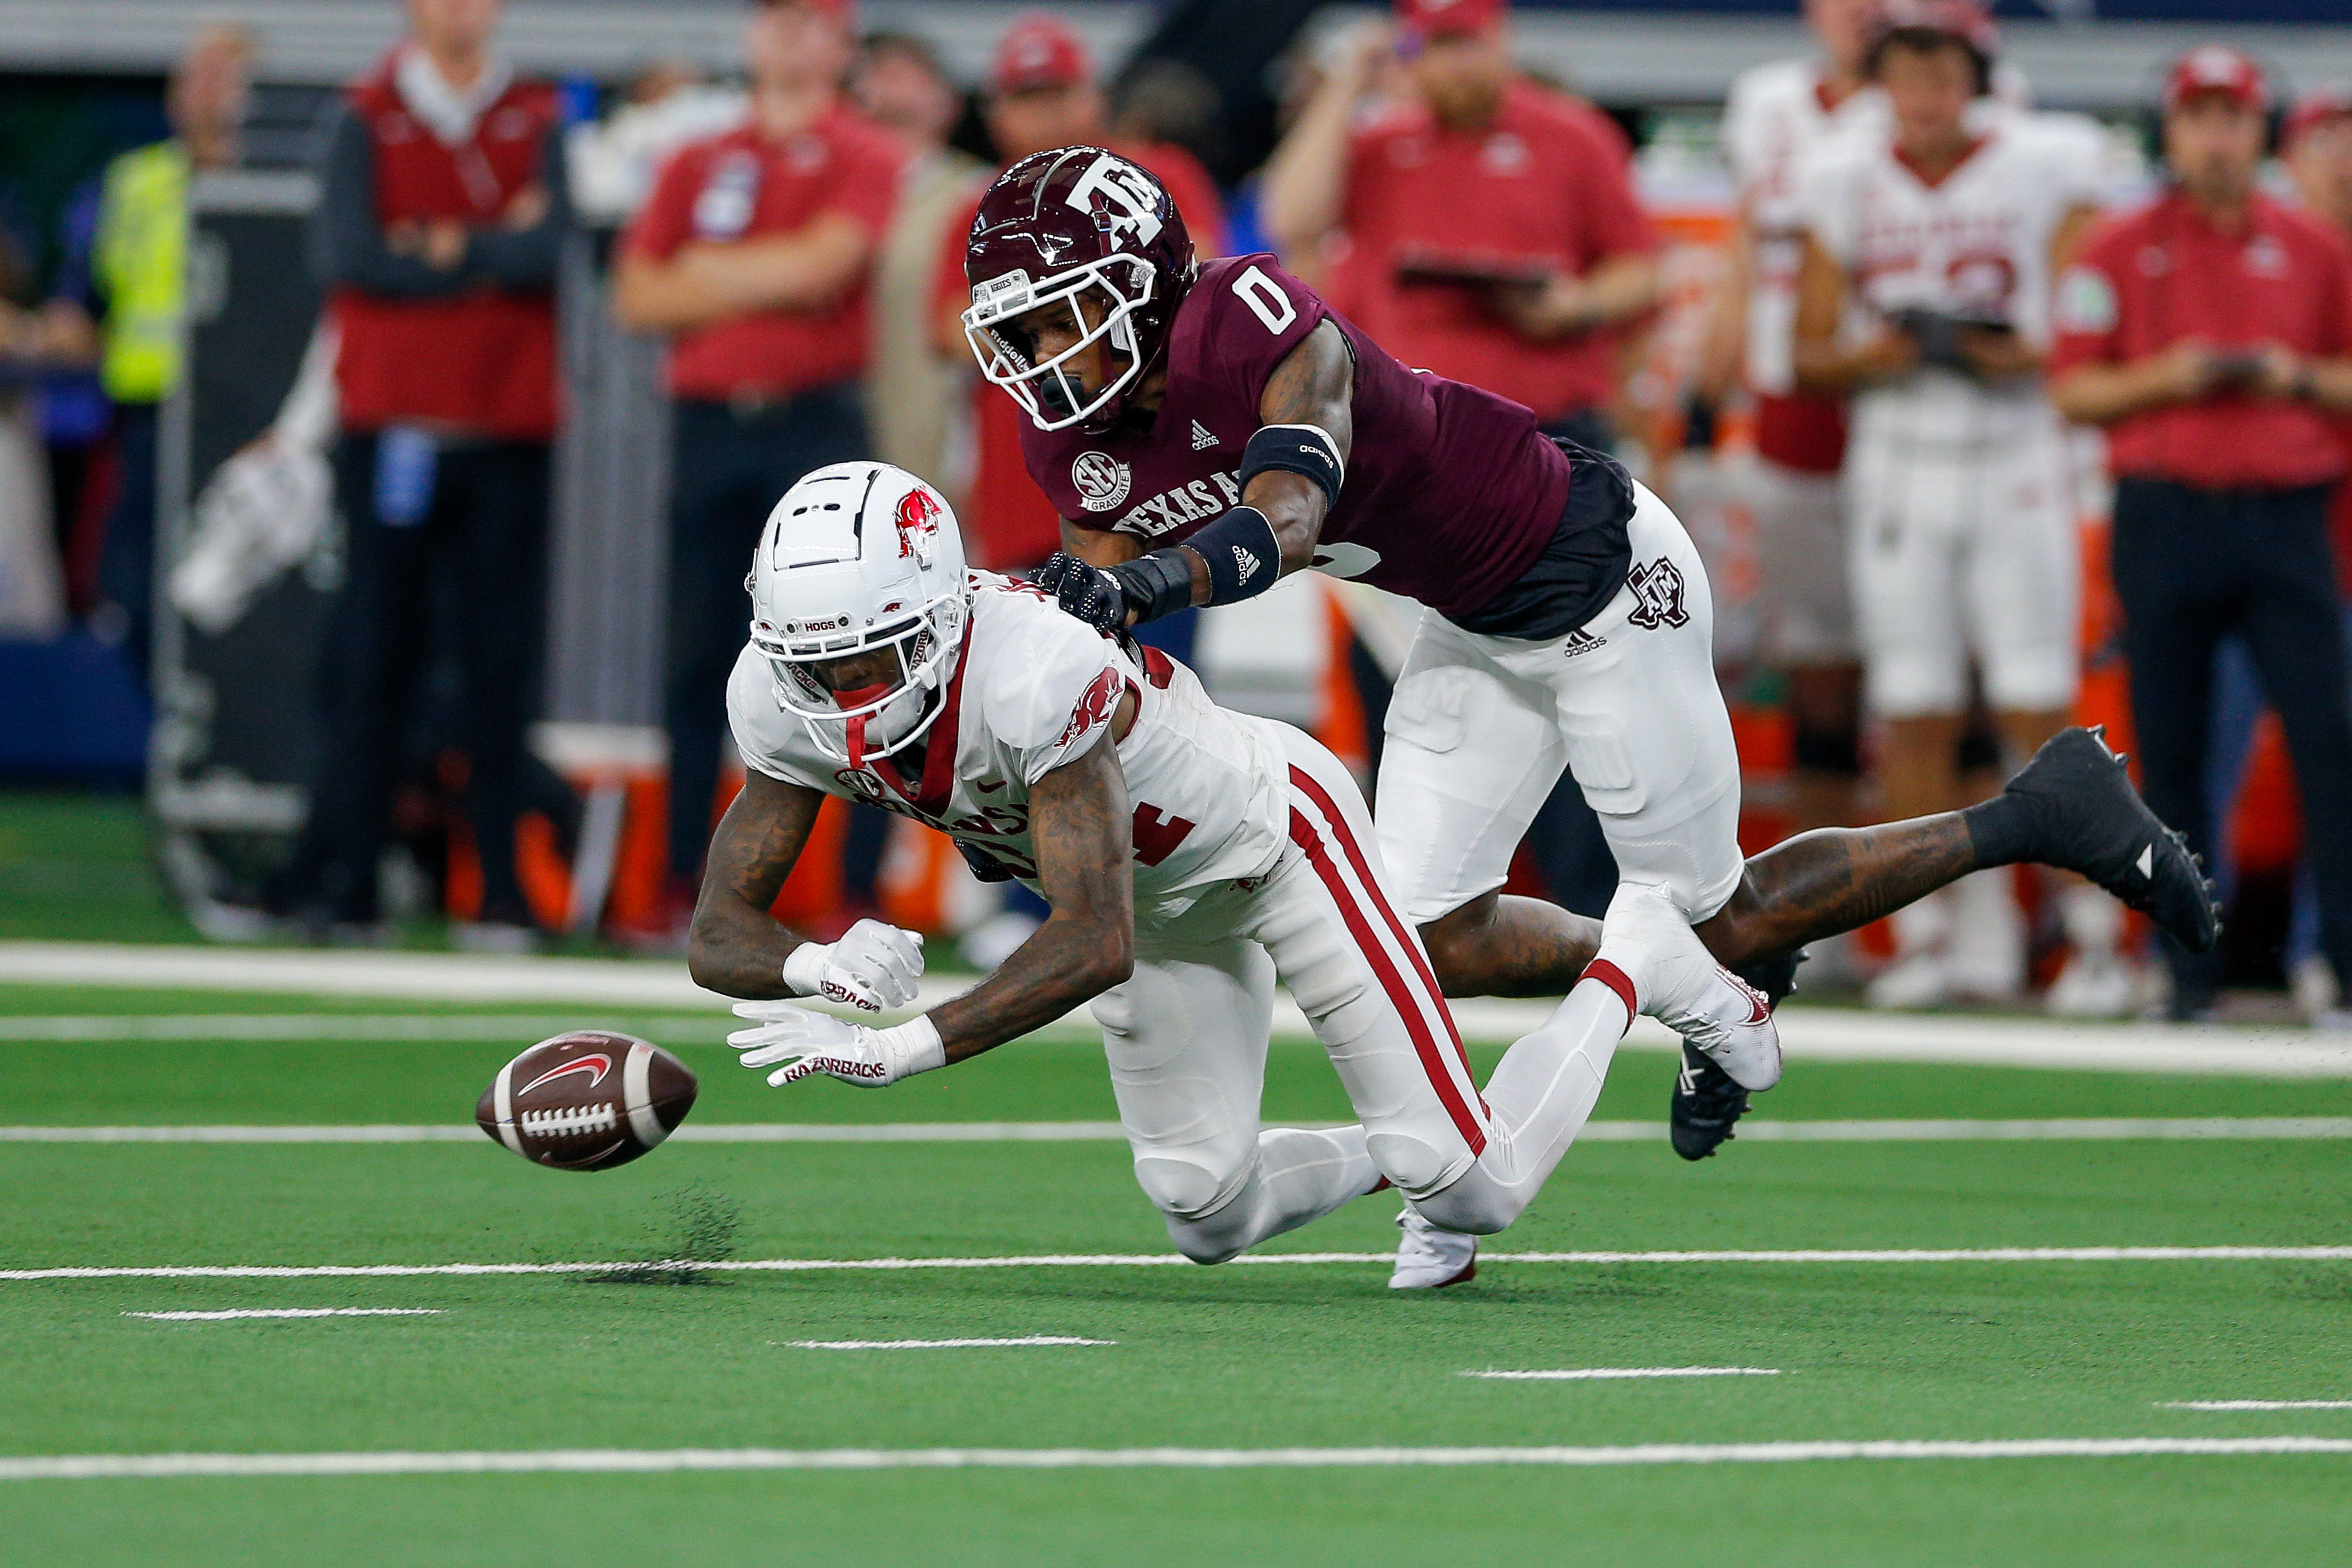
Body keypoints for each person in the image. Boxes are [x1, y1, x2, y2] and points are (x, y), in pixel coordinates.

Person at [955, 147, 2216, 1270]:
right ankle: (1682, 978)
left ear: (1144, 285)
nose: (1041, 357)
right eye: (1017, 330)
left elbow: (1285, 515)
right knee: (1418, 939)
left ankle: (2043, 808)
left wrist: (1144, 586)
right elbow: (1102, 653)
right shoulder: (1073, 441)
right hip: (1467, 622)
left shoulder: (1248, 322)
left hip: (1599, 579)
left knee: (1726, 915)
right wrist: (1014, 780)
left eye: (1059, 317)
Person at [692, 461, 1780, 1289]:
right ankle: (1408, 1141)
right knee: (1202, 1211)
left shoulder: (1031, 670)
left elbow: (1092, 938)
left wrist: (904, 1045)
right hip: (1155, 903)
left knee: (1477, 1190)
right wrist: (817, 965)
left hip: (1278, 846)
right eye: (809, 663)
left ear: (939, 616)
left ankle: (1637, 958)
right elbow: (717, 932)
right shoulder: (778, 698)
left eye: (864, 655)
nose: (837, 690)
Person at [1789, 0, 2115, 1012]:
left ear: (1975, 80)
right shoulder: (1840, 173)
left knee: (2036, 699)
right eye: (1905, 73)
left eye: (1941, 74)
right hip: (1896, 461)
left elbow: (2083, 321)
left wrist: (2008, 349)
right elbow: (1803, 351)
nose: (1923, 95)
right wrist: (1880, 353)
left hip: (2013, 454)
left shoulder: (2043, 161)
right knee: (1912, 706)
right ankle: (1923, 935)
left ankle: (2098, 934)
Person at [2050, 47, 2352, 1024]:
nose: (2215, 139)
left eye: (2233, 118)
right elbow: (2072, 387)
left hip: (2286, 517)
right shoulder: (2114, 245)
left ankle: (2341, 966)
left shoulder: (2314, 247)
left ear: (2260, 131)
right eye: (2198, 117)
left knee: (2328, 740)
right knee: (2169, 747)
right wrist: (2168, 376)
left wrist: (2289, 375)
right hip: (2164, 513)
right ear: (2169, 130)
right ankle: (2183, 975)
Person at [275, 0, 568, 945]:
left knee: (499, 668)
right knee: (374, 659)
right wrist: (485, 250)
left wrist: (432, 243)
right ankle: (350, 881)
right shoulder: (364, 114)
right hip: (392, 431)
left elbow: (547, 250)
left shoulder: (533, 114)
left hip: (506, 431)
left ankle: (500, 890)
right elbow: (350, 255)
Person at [613, 0, 905, 924]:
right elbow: (635, 294)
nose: (785, 36)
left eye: (808, 20)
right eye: (774, 18)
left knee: (848, 651)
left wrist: (705, 270)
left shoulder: (862, 151)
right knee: (696, 653)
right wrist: (760, 275)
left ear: (840, 45)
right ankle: (679, 882)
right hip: (707, 424)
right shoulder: (697, 156)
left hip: (809, 423)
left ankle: (851, 889)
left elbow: (826, 265)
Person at [1258, 0, 1661, 456]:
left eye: (1469, 44)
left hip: (1547, 425)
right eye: (1439, 46)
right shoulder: (1382, 145)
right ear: (1413, 54)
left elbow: (1642, 268)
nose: (1457, 64)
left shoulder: (1573, 136)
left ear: (1501, 39)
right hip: (1409, 426)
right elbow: (1290, 221)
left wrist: (1577, 305)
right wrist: (1347, 82)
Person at [931, 12, 1226, 583]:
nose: (1046, 114)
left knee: (1165, 636)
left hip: (1166, 480)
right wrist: (1093, 299)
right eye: (1026, 98)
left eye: (1058, 93)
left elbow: (1198, 276)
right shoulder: (978, 208)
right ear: (995, 113)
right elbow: (952, 330)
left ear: (1096, 96)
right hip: (1029, 489)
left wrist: (1035, 306)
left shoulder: (1153, 173)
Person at [1711, 0, 1882, 872]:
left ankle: (1963, 916)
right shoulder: (1767, 101)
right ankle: (1828, 900)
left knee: (1944, 679)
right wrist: (1710, 370)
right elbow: (1746, 247)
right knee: (1817, 667)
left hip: (1915, 403)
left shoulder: (1957, 95)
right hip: (1794, 401)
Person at [68, 25, 252, 682]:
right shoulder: (135, 180)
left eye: (219, 78)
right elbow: (89, 299)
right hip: (148, 414)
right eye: (191, 79)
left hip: (239, 422)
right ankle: (166, 709)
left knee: (233, 585)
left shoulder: (271, 183)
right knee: (130, 582)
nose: (202, 95)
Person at [854, 30, 986, 491]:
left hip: (940, 419)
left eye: (905, 75)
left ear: (948, 103)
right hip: (840, 416)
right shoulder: (834, 190)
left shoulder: (975, 191)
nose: (887, 90)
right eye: (875, 76)